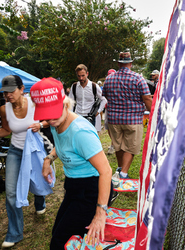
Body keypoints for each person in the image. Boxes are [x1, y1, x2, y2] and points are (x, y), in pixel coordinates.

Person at [30, 77, 112, 249]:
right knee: (59, 234)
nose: (50, 121)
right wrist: (49, 158)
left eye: (53, 114)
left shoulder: (80, 132)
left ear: (65, 104)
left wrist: (100, 213)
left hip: (91, 189)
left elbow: (106, 171)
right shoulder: (56, 122)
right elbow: (62, 146)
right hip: (73, 186)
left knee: (60, 242)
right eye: (46, 115)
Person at [0, 75, 49, 248]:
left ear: (22, 89)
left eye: (11, 91)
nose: (8, 95)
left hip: (34, 151)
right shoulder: (4, 109)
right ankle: (15, 233)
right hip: (15, 151)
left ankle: (39, 200)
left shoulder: (35, 103)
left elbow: (50, 119)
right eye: (5, 93)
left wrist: (40, 125)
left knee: (37, 182)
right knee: (11, 192)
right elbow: (6, 130)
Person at [103, 52, 152, 179]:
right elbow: (146, 98)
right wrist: (153, 112)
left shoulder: (109, 78)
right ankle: (123, 174)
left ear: (119, 63)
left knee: (118, 145)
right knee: (130, 147)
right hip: (133, 119)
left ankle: (119, 169)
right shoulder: (138, 78)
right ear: (131, 63)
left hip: (114, 119)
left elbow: (106, 95)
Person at [104, 69, 116, 155]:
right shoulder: (107, 83)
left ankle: (113, 145)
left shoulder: (118, 84)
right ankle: (113, 143)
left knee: (115, 128)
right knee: (108, 127)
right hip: (108, 108)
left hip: (116, 109)